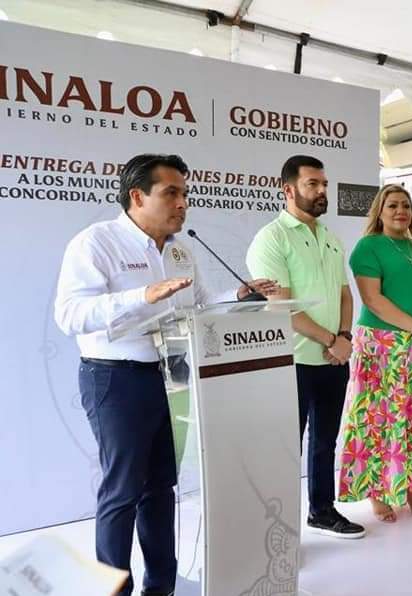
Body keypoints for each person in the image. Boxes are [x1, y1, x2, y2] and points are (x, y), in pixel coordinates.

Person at [55, 154, 278, 596]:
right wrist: (143, 295)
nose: (182, 204)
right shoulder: (96, 242)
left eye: (184, 194)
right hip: (115, 378)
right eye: (171, 193)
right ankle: (113, 589)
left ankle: (161, 588)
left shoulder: (179, 248)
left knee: (160, 488)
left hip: (171, 375)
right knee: (122, 492)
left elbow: (196, 304)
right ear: (137, 196)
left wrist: (236, 295)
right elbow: (70, 315)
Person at [246, 155, 365, 538]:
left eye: (324, 184)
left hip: (333, 358)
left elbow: (346, 294)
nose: (321, 191)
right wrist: (332, 339)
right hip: (291, 360)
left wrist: (344, 338)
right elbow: (282, 307)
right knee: (285, 449)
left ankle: (322, 510)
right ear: (289, 189)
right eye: (313, 184)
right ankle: (277, 530)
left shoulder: (330, 237)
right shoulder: (271, 238)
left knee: (325, 441)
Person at [337, 184, 412, 523]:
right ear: (380, 212)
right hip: (381, 344)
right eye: (393, 205)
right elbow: (372, 300)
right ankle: (376, 491)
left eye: (406, 206)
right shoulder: (368, 247)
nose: (401, 211)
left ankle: (409, 485)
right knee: (378, 419)